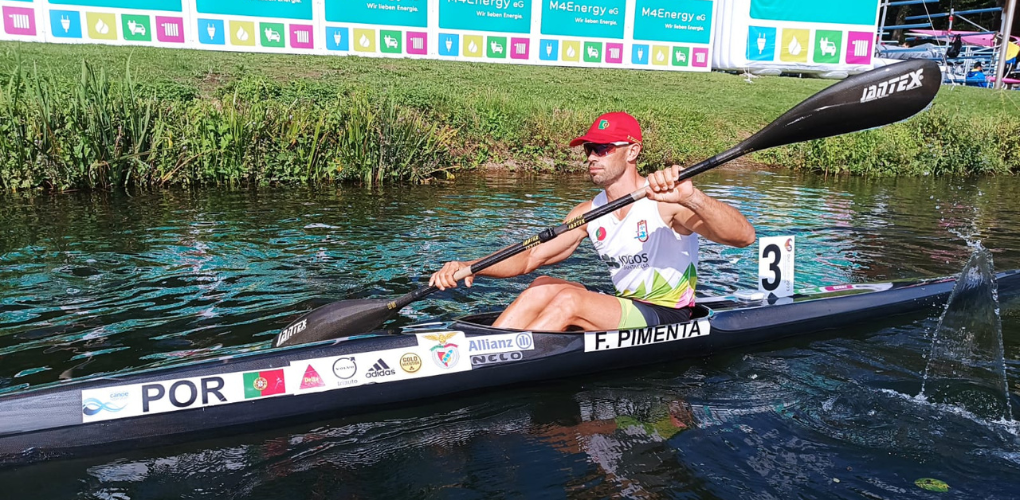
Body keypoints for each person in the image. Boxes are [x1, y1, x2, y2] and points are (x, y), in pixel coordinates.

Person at [429, 112, 755, 331]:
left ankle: (497, 364)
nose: (591, 157)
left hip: (669, 316)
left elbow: (744, 237)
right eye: (589, 149)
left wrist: (691, 197)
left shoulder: (666, 203)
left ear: (632, 152)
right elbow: (531, 256)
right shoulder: (588, 212)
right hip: (627, 307)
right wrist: (468, 266)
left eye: (602, 148)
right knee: (543, 286)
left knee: (570, 299)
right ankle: (486, 350)